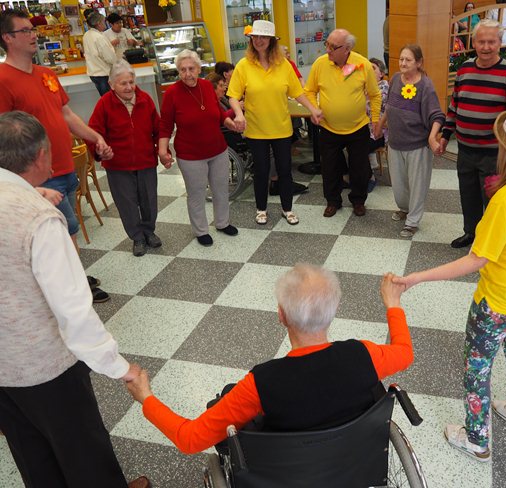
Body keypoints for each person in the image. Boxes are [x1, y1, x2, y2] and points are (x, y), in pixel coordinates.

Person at [396, 100, 506, 462]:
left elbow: (477, 259)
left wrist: (416, 277)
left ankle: (477, 439)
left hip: (497, 302)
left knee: (477, 367)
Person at [0, 111, 149, 488]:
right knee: (83, 453)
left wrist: (31, 192)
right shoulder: (39, 220)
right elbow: (73, 310)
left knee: (32, 454)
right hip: (46, 366)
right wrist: (119, 367)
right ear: (41, 156)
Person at [125, 264, 413, 452]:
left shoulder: (260, 383)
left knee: (227, 399)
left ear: (281, 315)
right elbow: (404, 351)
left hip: (291, 471)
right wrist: (393, 303)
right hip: (353, 457)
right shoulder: (364, 354)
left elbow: (190, 439)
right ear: (334, 309)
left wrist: (146, 398)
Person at [0, 8, 111, 303]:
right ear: (7, 38)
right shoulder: (2, 79)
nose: (33, 35)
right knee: (61, 232)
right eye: (25, 31)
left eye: (33, 30)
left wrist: (95, 136)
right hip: (38, 177)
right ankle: (74, 290)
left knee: (67, 230)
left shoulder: (46, 74)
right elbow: (4, 138)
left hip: (64, 166)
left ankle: (73, 278)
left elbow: (66, 115)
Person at [439, 19, 506, 249]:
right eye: (481, 41)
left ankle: (493, 242)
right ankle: (471, 233)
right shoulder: (464, 69)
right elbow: (454, 106)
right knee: (468, 195)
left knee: (494, 200)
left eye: (491, 42)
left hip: (495, 153)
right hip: (465, 149)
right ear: (474, 43)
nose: (486, 47)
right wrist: (445, 135)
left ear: (500, 43)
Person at [228, 20, 322, 226]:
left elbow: (297, 93)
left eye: (263, 37)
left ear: (272, 41)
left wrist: (313, 109)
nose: (259, 40)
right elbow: (233, 95)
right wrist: (239, 114)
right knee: (261, 171)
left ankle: (287, 209)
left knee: (284, 171)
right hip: (256, 129)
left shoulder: (284, 65)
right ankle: (261, 209)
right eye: (255, 37)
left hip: (281, 128)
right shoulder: (244, 65)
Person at [159, 50, 239, 246]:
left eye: (191, 69)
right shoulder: (171, 94)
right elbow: (165, 126)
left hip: (218, 149)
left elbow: (217, 110)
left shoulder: (206, 86)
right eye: (183, 70)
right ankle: (201, 230)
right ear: (178, 71)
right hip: (190, 154)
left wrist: (229, 122)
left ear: (198, 68)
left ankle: (222, 222)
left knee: (221, 189)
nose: (188, 74)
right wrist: (162, 151)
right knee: (197, 194)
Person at [88, 60, 166, 257]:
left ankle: (149, 231)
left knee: (149, 200)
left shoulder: (145, 99)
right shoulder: (104, 104)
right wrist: (100, 150)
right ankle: (137, 237)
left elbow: (158, 129)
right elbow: (93, 133)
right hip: (118, 166)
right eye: (123, 83)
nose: (129, 87)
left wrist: (162, 151)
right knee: (127, 203)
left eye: (131, 82)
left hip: (146, 161)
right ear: (111, 84)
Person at [304, 28, 382, 218]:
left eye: (333, 47)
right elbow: (309, 91)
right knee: (330, 168)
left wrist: (375, 121)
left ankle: (358, 201)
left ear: (347, 48)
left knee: (359, 168)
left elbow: (374, 95)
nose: (327, 50)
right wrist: (314, 109)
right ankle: (333, 201)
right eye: (327, 44)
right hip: (329, 127)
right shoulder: (320, 64)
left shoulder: (363, 65)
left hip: (358, 127)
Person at [377, 44, 444, 239]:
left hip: (417, 145)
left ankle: (412, 221)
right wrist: (380, 125)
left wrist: (432, 137)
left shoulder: (425, 86)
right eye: (401, 59)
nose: (403, 63)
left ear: (419, 63)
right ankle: (404, 208)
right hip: (395, 143)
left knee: (417, 185)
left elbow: (437, 116)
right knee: (399, 184)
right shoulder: (395, 79)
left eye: (408, 60)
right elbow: (389, 106)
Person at [367, 57, 389, 192]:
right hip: (365, 129)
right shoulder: (366, 87)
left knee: (359, 147)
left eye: (373, 68)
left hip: (380, 132)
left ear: (381, 74)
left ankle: (370, 177)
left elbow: (371, 105)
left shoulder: (384, 87)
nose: (369, 71)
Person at [83, 12, 117, 96]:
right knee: (109, 99)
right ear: (98, 23)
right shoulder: (99, 37)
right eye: (103, 21)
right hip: (103, 73)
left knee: (105, 98)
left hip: (94, 73)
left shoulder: (87, 35)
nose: (105, 23)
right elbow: (109, 57)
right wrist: (117, 62)